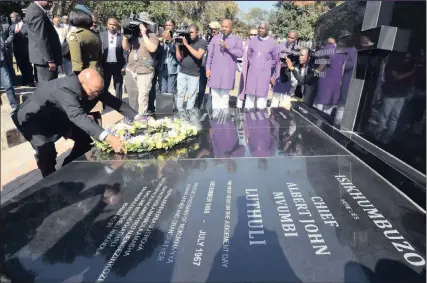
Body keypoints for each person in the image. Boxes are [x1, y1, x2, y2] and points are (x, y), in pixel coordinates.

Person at [11, 68, 137, 178]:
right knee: (46, 151)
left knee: (86, 140)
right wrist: (109, 137)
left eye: (99, 91)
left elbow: (115, 102)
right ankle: (50, 181)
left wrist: (139, 117)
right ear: (82, 83)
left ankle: (67, 168)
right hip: (33, 120)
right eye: (94, 92)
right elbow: (78, 116)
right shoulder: (66, 88)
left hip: (59, 115)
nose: (97, 95)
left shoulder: (94, 88)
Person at [123, 12, 159, 114]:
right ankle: (133, 118)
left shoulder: (152, 35)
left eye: (144, 23)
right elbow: (126, 48)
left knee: (142, 97)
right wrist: (126, 35)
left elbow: (152, 48)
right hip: (131, 68)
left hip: (145, 70)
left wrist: (143, 34)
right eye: (140, 23)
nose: (141, 25)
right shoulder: (132, 34)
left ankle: (142, 120)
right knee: (132, 97)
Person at [206, 19, 243, 109]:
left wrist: (228, 47)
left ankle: (223, 120)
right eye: (222, 26)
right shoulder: (215, 38)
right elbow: (210, 55)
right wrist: (207, 69)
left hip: (227, 74)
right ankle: (215, 119)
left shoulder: (236, 39)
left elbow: (240, 53)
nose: (224, 28)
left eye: (226, 27)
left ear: (231, 28)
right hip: (215, 73)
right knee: (215, 97)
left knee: (224, 98)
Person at [241, 22, 278, 109]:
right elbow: (249, 55)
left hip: (264, 75)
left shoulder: (272, 43)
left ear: (267, 30)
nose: (260, 30)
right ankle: (247, 121)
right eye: (259, 28)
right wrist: (254, 64)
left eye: (263, 28)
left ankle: (260, 122)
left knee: (261, 101)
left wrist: (265, 66)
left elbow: (275, 59)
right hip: (252, 73)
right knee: (249, 99)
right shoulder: (252, 41)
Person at [24, 1, 62, 84]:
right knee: (48, 87)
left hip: (44, 58)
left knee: (48, 86)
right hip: (45, 60)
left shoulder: (36, 10)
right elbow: (41, 38)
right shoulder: (36, 13)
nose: (51, 3)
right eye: (49, 1)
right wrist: (50, 60)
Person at [175, 24, 207, 112]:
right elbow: (179, 58)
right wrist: (178, 45)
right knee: (180, 93)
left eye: (192, 32)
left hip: (194, 74)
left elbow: (198, 55)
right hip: (182, 72)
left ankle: (189, 112)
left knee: (191, 95)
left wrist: (186, 44)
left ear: (198, 32)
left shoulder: (202, 42)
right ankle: (179, 111)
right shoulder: (186, 41)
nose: (190, 34)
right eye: (189, 32)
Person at [67, 5, 102, 75]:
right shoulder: (95, 35)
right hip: (96, 72)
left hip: (84, 75)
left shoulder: (76, 35)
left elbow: (77, 65)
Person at [100, 17, 126, 100]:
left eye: (114, 25)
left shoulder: (121, 37)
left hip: (117, 65)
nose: (112, 26)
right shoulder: (101, 36)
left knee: (118, 86)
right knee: (104, 86)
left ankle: (119, 104)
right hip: (105, 65)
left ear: (117, 26)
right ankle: (104, 103)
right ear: (107, 25)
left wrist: (124, 66)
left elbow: (125, 52)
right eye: (110, 24)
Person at [10, 12, 35, 86]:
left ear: (18, 17)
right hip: (17, 50)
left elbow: (30, 36)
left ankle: (30, 81)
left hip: (26, 49)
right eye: (11, 17)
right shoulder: (12, 27)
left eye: (13, 17)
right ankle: (24, 81)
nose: (12, 19)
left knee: (27, 66)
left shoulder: (26, 26)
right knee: (20, 65)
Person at [0, 23, 19, 110]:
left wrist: (4, 43)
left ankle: (14, 105)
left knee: (7, 84)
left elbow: (2, 43)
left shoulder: (3, 26)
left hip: (1, 61)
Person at [237, 28, 257, 108]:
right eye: (251, 34)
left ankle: (250, 109)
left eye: (255, 35)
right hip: (245, 69)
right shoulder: (245, 44)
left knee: (252, 90)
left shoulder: (260, 45)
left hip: (254, 70)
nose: (252, 36)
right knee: (242, 87)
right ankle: (239, 107)